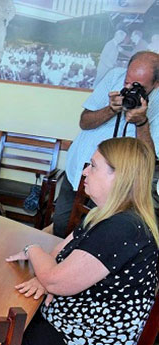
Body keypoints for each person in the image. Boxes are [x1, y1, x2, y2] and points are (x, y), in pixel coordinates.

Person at [7, 137, 158, 345]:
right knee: (13, 315)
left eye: (93, 166)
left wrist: (32, 250)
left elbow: (56, 279)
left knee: (2, 337)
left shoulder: (124, 227)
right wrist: (44, 278)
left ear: (119, 176)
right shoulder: (104, 213)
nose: (85, 172)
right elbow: (59, 252)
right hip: (76, 324)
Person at [52, 51, 159, 237]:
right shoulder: (113, 77)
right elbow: (84, 122)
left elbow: (150, 159)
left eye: (138, 85)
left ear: (156, 84)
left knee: (96, 236)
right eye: (127, 81)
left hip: (117, 186)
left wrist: (141, 122)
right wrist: (111, 109)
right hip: (79, 170)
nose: (129, 87)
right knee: (61, 225)